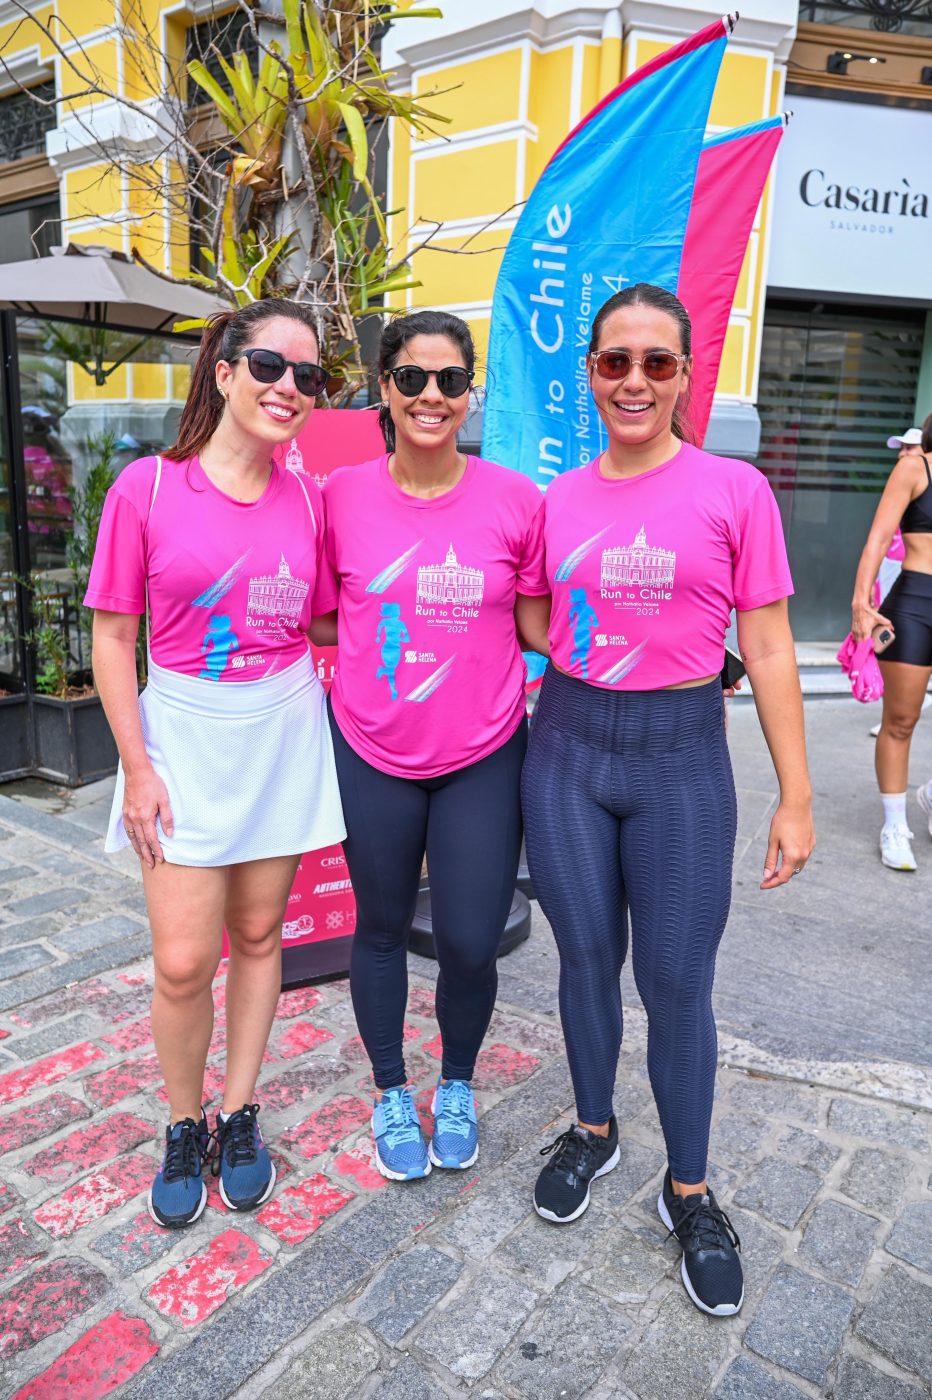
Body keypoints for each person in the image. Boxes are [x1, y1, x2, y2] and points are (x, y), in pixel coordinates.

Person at [523, 284, 815, 1318]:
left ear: (686, 375)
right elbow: (527, 610)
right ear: (589, 374)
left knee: (676, 980)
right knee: (584, 957)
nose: (634, 379)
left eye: (655, 361)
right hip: (562, 746)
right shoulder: (555, 499)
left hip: (682, 756)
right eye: (614, 361)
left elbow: (770, 643)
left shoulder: (732, 491)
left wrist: (794, 791)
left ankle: (686, 1191)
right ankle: (594, 1129)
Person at [84, 301, 345, 1228]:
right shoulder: (147, 490)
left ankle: (240, 1112)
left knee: (264, 939)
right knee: (185, 960)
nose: (290, 389)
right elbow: (114, 636)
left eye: (308, 378)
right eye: (271, 367)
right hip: (182, 736)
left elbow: (320, 618)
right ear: (226, 371)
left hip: (279, 729)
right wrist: (138, 765)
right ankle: (182, 1121)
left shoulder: (312, 500)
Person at [318, 309, 549, 1181]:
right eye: (412, 378)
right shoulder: (339, 497)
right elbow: (321, 616)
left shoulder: (513, 499)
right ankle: (388, 1091)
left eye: (451, 381)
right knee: (378, 927)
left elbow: (540, 624)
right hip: (371, 749)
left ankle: (455, 1083)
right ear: (383, 388)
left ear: (470, 394)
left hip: (483, 757)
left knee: (467, 940)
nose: (431, 396)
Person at [852, 414, 932, 870]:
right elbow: (879, 538)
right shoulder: (915, 467)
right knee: (900, 720)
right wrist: (861, 602)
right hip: (917, 603)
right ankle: (894, 825)